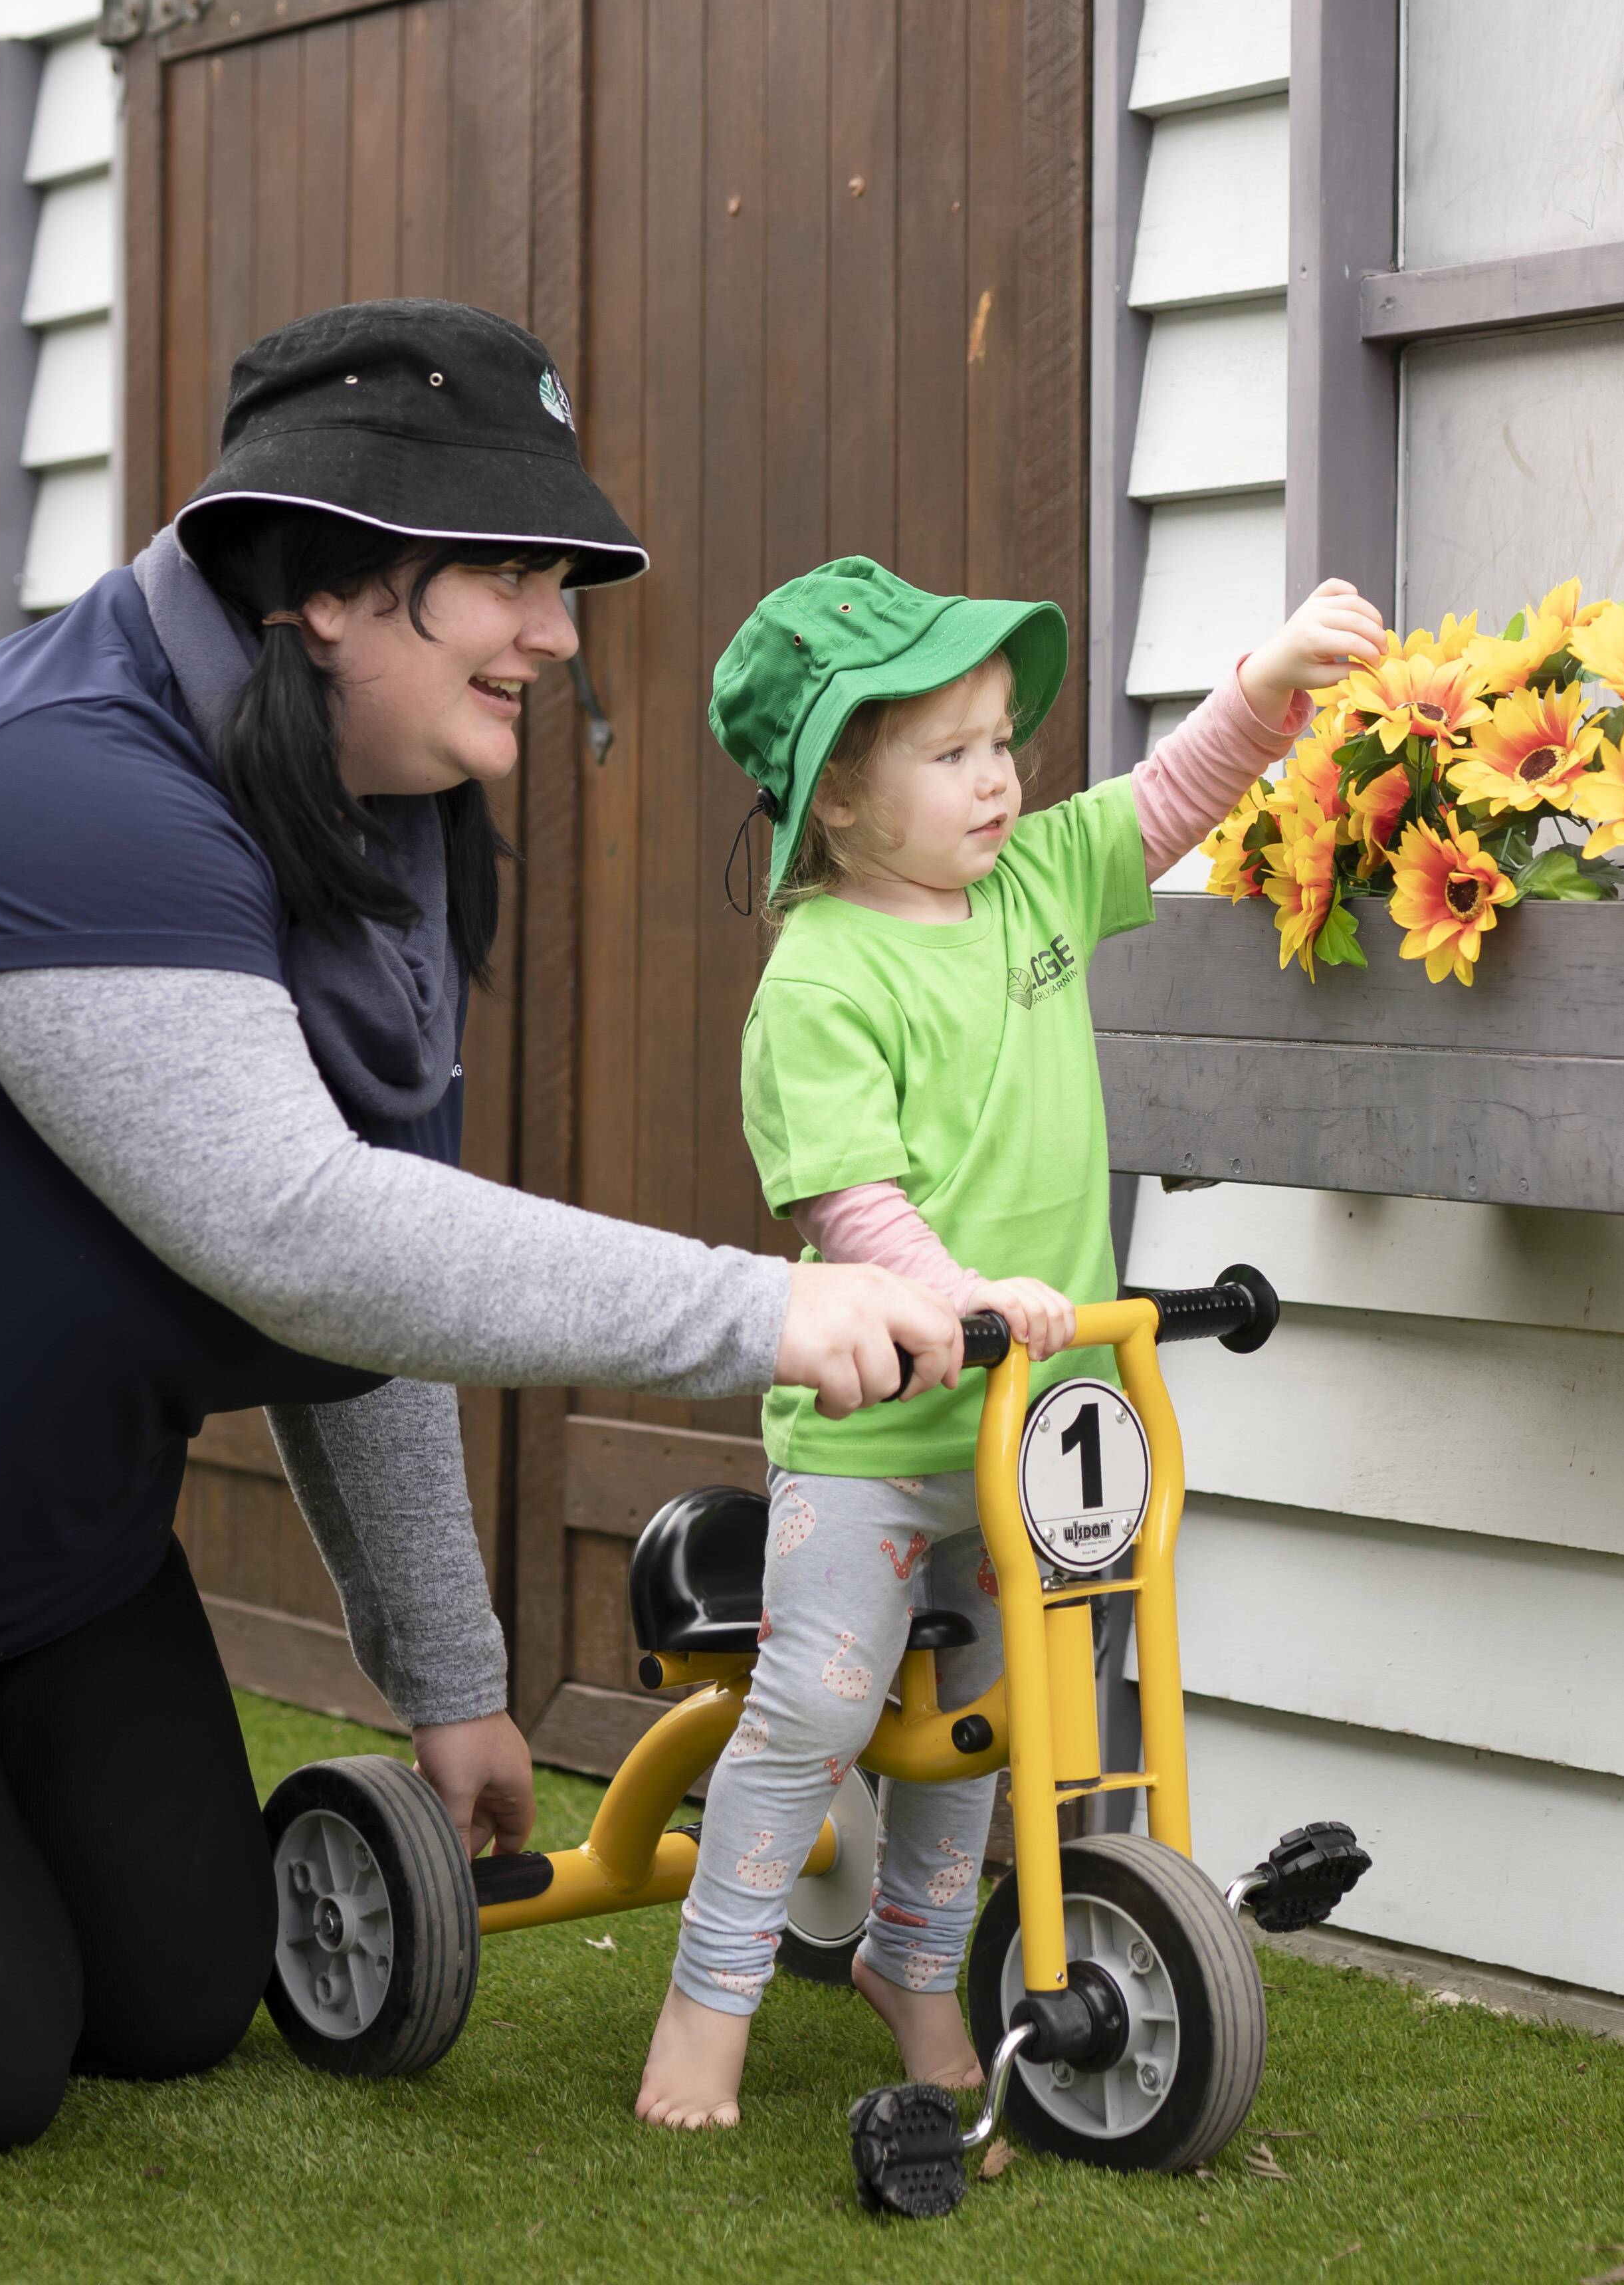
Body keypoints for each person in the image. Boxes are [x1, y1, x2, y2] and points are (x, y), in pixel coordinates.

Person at [0, 302, 960, 2159]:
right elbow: (295, 1231)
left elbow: (366, 1269)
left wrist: (446, 1679)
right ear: (323, 583)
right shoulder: (67, 782)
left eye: (563, 582)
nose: (558, 631)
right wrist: (772, 1306)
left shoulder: (385, 805)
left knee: (170, 1998)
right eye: (509, 577)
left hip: (0, 1525)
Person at [634, 553, 1387, 2127]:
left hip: (1040, 1421)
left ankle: (917, 1962)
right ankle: (711, 1997)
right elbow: (853, 1205)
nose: (1000, 779)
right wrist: (965, 1295)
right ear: (836, 801)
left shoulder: (1035, 882)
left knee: (990, 1721)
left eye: (1003, 744)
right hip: (881, 1440)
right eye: (953, 751)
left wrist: (1269, 682)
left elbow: (1169, 797)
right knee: (826, 1708)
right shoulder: (820, 977)